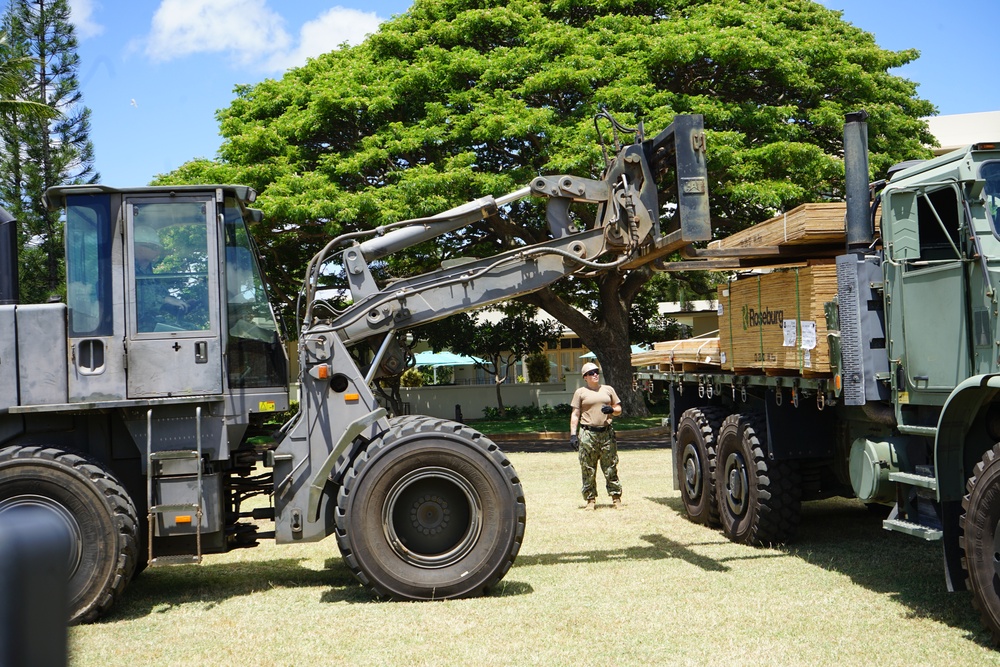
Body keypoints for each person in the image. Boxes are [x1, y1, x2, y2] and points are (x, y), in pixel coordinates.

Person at [569, 362, 623, 510]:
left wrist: (611, 409)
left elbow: (619, 409)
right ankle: (590, 500)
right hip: (588, 433)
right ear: (585, 377)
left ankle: (616, 498)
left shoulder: (608, 389)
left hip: (606, 433)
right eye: (591, 373)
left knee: (610, 466)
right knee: (587, 468)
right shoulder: (580, 392)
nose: (595, 375)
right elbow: (575, 414)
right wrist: (573, 435)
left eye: (596, 372)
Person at [134, 225, 189, 332]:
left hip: (152, 323)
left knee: (191, 329)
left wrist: (180, 304)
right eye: (154, 248)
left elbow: (163, 295)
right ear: (139, 247)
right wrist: (164, 300)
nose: (158, 252)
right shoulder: (126, 271)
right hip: (137, 328)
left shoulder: (148, 272)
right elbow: (136, 300)